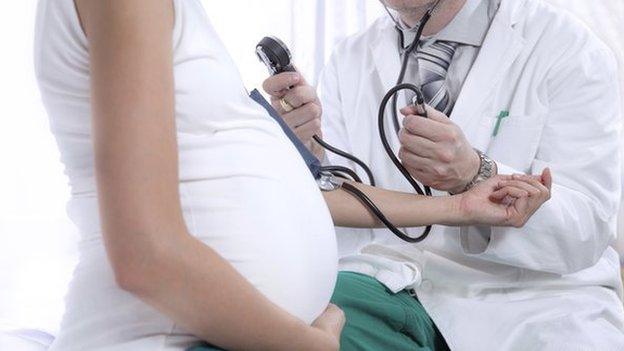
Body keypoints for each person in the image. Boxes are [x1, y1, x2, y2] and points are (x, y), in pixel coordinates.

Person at [33, 0, 550, 350]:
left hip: (485, 299)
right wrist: (309, 343)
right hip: (183, 334)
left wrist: (461, 200)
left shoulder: (559, 41)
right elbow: (146, 254)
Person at [262, 0, 624, 350]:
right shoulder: (349, 58)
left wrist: (475, 173)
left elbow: (586, 231)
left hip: (531, 303)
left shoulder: (568, 47)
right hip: (391, 285)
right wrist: (310, 154)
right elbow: (344, 208)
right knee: (264, 331)